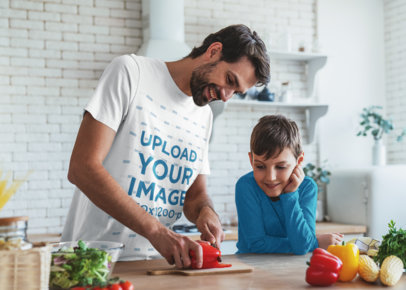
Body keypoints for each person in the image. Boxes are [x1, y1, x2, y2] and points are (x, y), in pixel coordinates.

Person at [61, 24, 270, 268]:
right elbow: (82, 168)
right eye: (229, 80)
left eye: (236, 91)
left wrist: (206, 212)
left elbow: (195, 195)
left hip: (159, 266)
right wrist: (157, 232)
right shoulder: (131, 73)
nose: (226, 96)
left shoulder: (204, 117)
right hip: (94, 261)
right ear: (214, 51)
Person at [235, 115, 343, 255]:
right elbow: (257, 244)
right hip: (251, 267)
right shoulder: (246, 186)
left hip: (291, 268)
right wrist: (314, 242)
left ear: (299, 161)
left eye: (280, 167)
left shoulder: (307, 188)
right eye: (260, 166)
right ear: (251, 160)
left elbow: (302, 246)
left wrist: (290, 195)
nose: (270, 177)